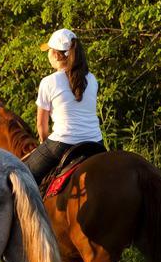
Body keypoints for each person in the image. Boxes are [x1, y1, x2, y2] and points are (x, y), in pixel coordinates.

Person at [24, 28, 106, 183]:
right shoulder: (92, 79)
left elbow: (42, 128)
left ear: (55, 54)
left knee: (24, 177)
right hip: (96, 142)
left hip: (62, 143)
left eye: (48, 51)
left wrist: (44, 145)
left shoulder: (49, 82)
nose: (47, 55)